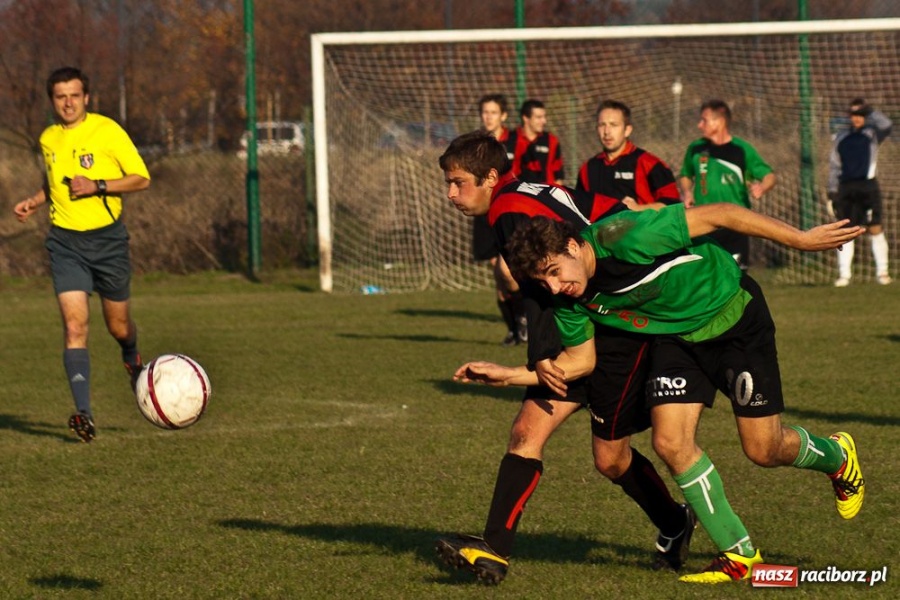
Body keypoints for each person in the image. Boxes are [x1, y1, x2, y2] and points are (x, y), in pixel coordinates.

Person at [478, 205, 865, 584]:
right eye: (542, 282)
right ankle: (740, 555)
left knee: (764, 449)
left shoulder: (626, 235)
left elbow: (722, 214)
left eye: (554, 272)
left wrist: (801, 239)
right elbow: (581, 361)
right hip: (677, 341)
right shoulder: (569, 298)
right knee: (669, 441)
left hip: (735, 318)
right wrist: (511, 374)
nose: (553, 287)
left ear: (574, 246)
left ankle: (837, 455)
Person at [434, 131, 694, 585]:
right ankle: (493, 551)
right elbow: (612, 212)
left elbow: (549, 290)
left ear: (490, 177)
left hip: (610, 334)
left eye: (458, 182)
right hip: (585, 328)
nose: (451, 193)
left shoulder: (511, 210)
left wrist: (544, 358)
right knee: (526, 432)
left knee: (610, 459)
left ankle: (677, 523)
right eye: (448, 183)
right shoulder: (528, 191)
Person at [13, 66, 151, 443]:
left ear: (86, 97)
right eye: (60, 96)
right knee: (75, 327)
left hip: (108, 242)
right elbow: (55, 181)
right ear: (52, 101)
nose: (68, 102)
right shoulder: (48, 138)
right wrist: (36, 201)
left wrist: (99, 185)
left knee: (117, 326)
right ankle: (84, 414)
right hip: (65, 244)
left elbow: (141, 177)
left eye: (74, 95)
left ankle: (132, 354)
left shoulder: (107, 131)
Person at [678, 99, 775, 269]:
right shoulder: (696, 148)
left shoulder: (741, 149)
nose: (699, 125)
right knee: (704, 275)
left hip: (736, 223)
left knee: (736, 277)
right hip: (704, 222)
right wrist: (687, 191)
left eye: (704, 120)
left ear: (720, 121)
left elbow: (769, 176)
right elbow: (685, 175)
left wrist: (762, 187)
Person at [472, 94, 527, 345]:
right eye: (485, 112)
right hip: (485, 214)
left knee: (507, 270)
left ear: (503, 115)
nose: (488, 116)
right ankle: (513, 329)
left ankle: (524, 318)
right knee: (499, 276)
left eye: (493, 112)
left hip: (510, 210)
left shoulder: (517, 140)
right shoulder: (477, 144)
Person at [827, 97, 893, 287]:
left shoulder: (872, 134)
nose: (857, 118)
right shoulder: (841, 137)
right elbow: (834, 165)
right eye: (854, 114)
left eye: (861, 114)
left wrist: (870, 110)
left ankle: (882, 272)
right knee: (847, 231)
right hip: (846, 187)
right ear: (849, 116)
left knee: (875, 227)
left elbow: (887, 124)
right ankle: (844, 275)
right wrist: (832, 190)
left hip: (868, 186)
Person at [576, 99, 680, 209]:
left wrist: (638, 209)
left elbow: (673, 205)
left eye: (614, 125)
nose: (607, 132)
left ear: (627, 130)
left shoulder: (650, 164)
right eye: (602, 125)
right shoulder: (587, 169)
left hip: (642, 226)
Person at [507, 99, 565, 185]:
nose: (544, 121)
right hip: (518, 194)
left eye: (544, 117)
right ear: (526, 118)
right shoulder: (510, 139)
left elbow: (558, 174)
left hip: (545, 194)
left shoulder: (551, 140)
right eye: (539, 117)